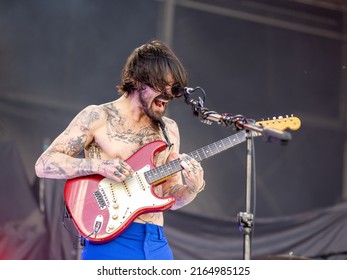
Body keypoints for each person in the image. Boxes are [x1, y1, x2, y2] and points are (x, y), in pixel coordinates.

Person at [35, 39, 205, 260]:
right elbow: (44, 164)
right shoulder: (98, 116)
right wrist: (99, 165)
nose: (169, 94)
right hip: (111, 240)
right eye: (161, 85)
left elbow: (171, 195)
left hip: (156, 241)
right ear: (137, 81)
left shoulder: (169, 129)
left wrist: (192, 188)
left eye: (172, 88)